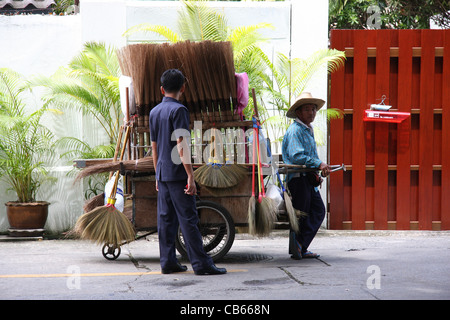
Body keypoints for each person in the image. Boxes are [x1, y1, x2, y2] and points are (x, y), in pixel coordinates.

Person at [149, 69, 226, 275]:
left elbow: (154, 147)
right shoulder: (179, 110)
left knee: (166, 220)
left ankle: (168, 262)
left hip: (164, 173)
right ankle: (201, 264)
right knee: (189, 219)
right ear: (183, 87)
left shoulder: (154, 112)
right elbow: (182, 144)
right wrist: (190, 175)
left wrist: (157, 174)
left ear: (162, 89)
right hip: (178, 174)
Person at [281, 92, 331, 260]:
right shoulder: (295, 130)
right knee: (303, 214)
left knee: (316, 211)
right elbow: (297, 156)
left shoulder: (307, 129)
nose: (312, 113)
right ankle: (300, 246)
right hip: (298, 179)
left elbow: (310, 156)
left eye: (314, 109)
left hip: (307, 178)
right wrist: (318, 164)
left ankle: (301, 246)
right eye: (308, 109)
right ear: (298, 113)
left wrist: (318, 170)